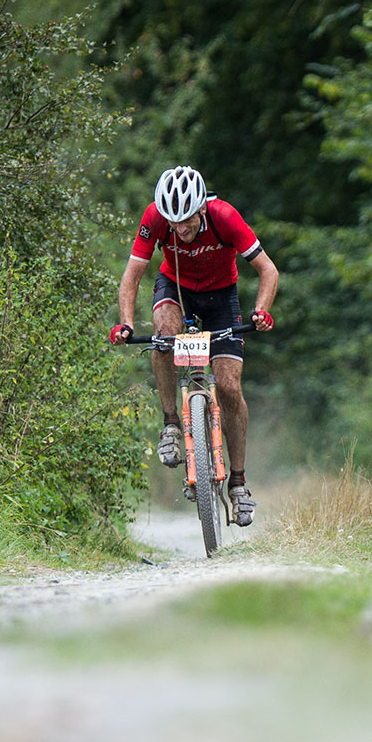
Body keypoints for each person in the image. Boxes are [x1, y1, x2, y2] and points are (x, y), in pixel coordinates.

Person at [110, 165, 278, 524]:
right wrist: (125, 323)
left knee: (230, 385)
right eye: (173, 224)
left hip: (221, 298)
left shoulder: (225, 217)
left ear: (201, 208)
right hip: (177, 290)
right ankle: (171, 421)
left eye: (186, 221)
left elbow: (268, 270)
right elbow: (132, 276)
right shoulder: (155, 218)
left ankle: (238, 484)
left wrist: (261, 311)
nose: (180, 230)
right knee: (163, 334)